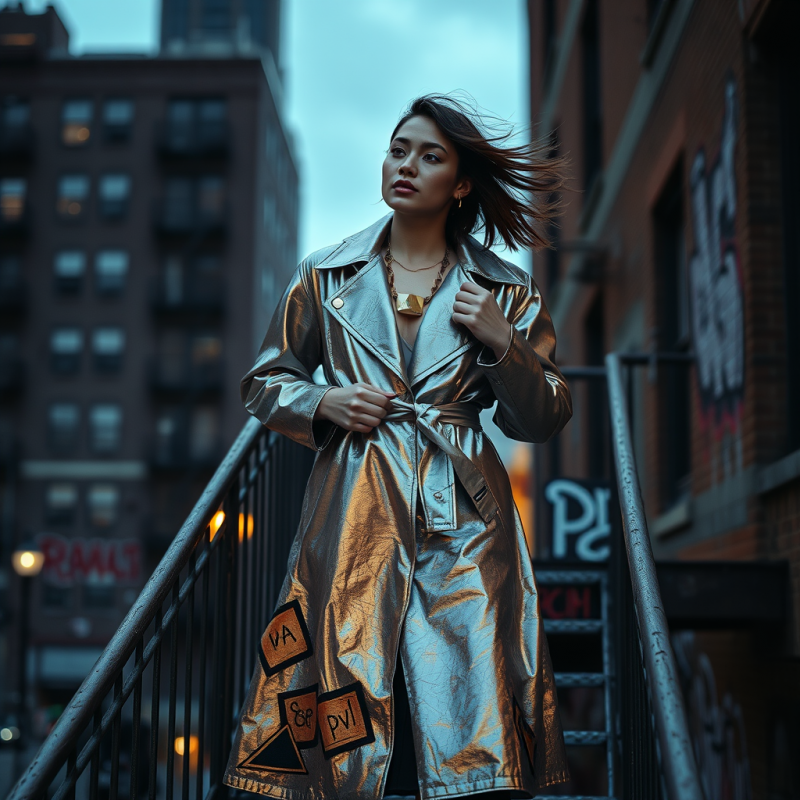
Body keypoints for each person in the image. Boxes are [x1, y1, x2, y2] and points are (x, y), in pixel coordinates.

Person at [223, 94, 572, 800]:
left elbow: (544, 417)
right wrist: (323, 401)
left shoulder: (505, 291)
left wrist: (504, 344)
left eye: (429, 156)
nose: (405, 166)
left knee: (467, 701)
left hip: (465, 518)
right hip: (353, 509)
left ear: (461, 184)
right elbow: (264, 380)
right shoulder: (324, 273)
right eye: (397, 150)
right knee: (348, 686)